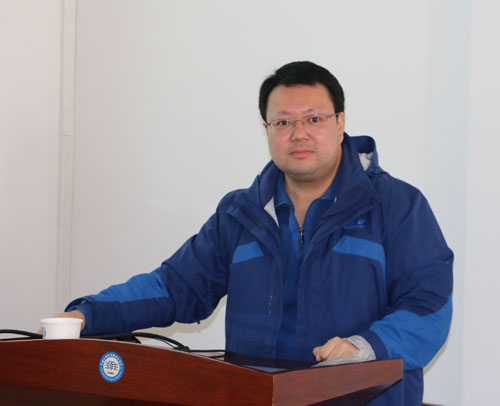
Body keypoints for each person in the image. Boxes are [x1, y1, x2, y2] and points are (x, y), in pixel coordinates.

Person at [57, 61, 453, 405]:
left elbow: (429, 308)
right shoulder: (240, 213)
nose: (298, 133)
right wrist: (87, 315)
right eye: (283, 122)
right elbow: (176, 286)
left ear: (340, 123)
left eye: (313, 119)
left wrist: (364, 347)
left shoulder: (397, 206)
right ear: (267, 130)